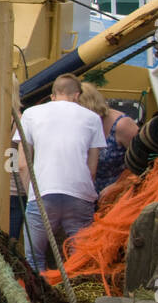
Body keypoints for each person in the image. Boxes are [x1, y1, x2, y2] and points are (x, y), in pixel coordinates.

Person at [14, 75, 105, 272]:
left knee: (34, 259)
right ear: (77, 95)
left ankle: (39, 300)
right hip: (79, 195)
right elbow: (92, 168)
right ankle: (75, 298)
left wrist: (31, 193)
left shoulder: (30, 114)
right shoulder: (92, 118)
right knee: (79, 260)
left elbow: (22, 164)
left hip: (42, 194)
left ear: (52, 96)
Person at [77, 82, 138, 194]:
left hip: (120, 195)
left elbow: (147, 163)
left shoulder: (122, 125)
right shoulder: (76, 126)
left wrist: (119, 185)